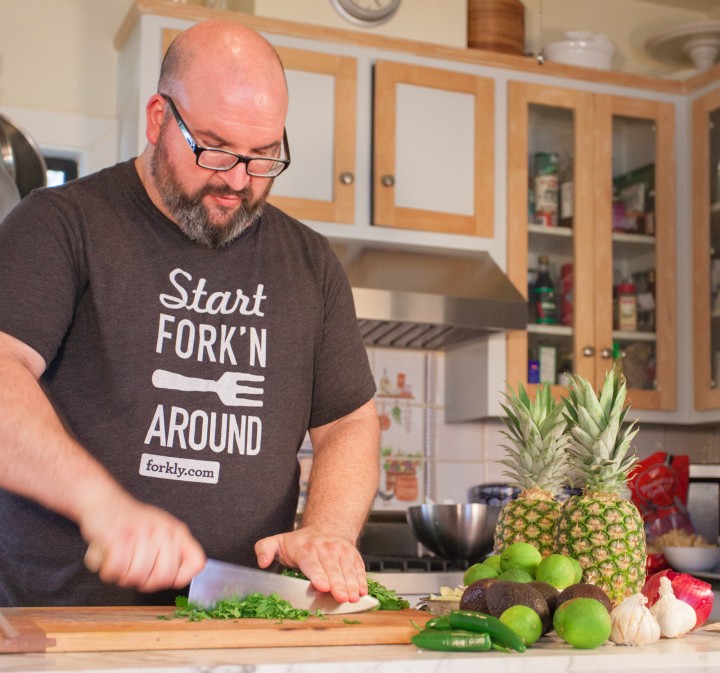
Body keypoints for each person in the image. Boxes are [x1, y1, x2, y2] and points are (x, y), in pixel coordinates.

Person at [0, 19, 380, 607]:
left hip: (240, 620)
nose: (237, 180)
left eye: (263, 156)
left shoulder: (309, 261)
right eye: (215, 148)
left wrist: (326, 529)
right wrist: (100, 505)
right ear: (158, 118)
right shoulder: (58, 225)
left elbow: (349, 424)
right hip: (64, 626)